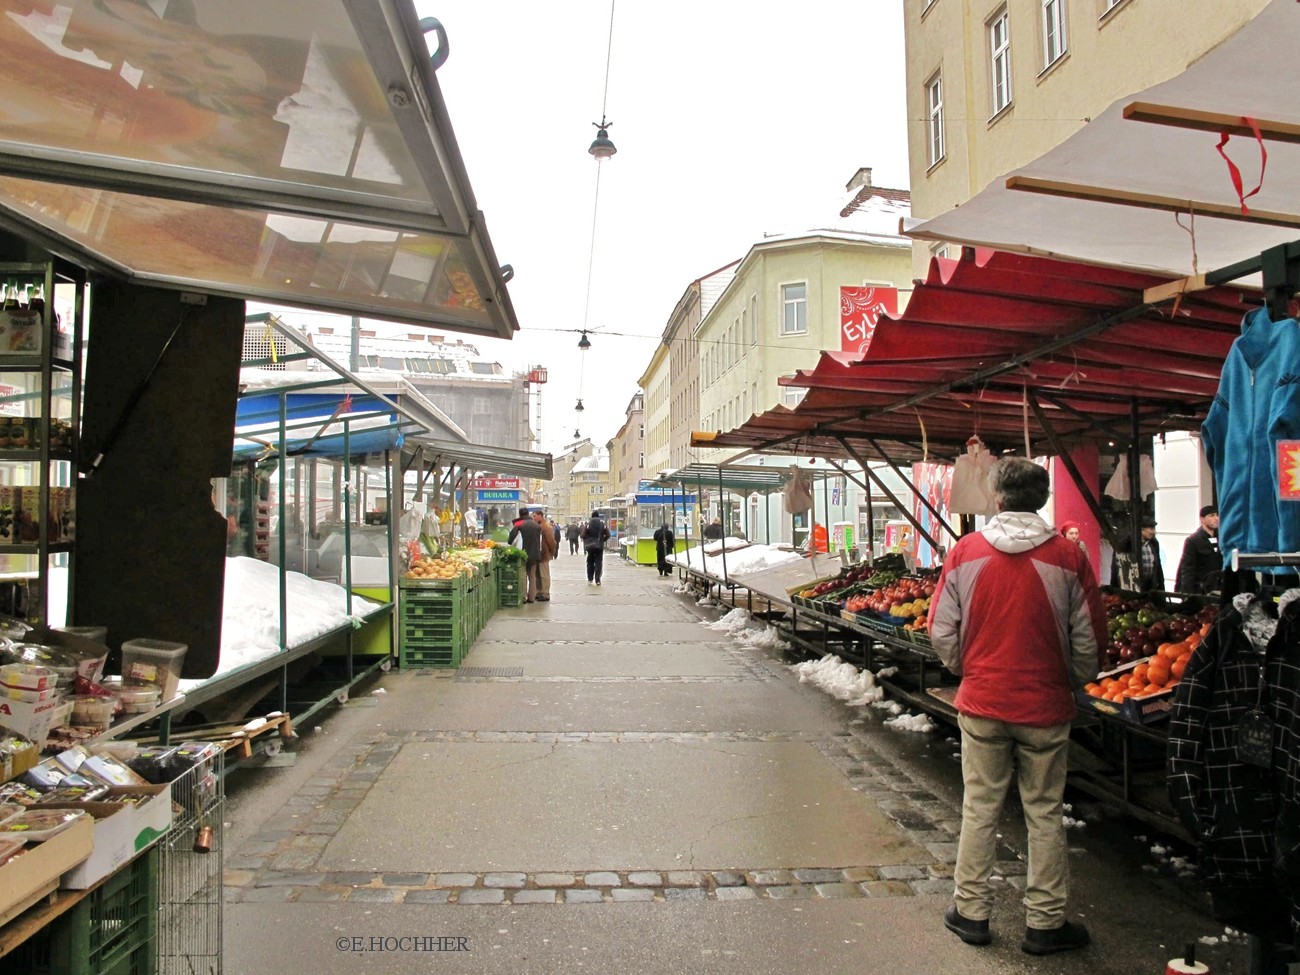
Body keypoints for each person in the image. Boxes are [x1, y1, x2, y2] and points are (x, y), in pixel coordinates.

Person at [927, 457, 1105, 956]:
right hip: (1045, 707)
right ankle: (1046, 923)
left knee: (980, 807)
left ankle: (971, 912)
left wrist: (968, 667)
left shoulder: (965, 552)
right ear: (1041, 499)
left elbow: (940, 628)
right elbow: (1089, 640)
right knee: (1045, 811)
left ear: (998, 500)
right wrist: (1068, 680)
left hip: (983, 702)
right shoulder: (1070, 558)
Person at [1174, 505, 1221, 594]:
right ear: (1202, 519)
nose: (1216, 518)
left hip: (1219, 588)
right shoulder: (1193, 540)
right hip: (1201, 589)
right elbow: (1187, 569)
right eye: (1211, 515)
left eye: (1217, 515)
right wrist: (1186, 593)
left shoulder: (1221, 539)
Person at [1111, 516, 1164, 592]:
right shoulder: (1126, 544)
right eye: (1151, 529)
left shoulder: (1154, 543)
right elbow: (1117, 568)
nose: (1153, 532)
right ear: (1141, 530)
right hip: (1132, 589)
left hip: (1150, 588)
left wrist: (1161, 587)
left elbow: (1158, 567)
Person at [507, 507, 543, 604]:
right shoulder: (536, 525)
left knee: (523, 575)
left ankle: (523, 596)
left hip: (522, 553)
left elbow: (510, 540)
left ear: (520, 514)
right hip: (535, 554)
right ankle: (531, 597)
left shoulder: (519, 524)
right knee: (532, 576)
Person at [581, 510, 610, 585]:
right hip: (599, 547)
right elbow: (608, 534)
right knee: (598, 562)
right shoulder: (602, 524)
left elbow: (583, 535)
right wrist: (602, 540)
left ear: (592, 516)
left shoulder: (588, 524)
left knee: (590, 561)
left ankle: (590, 578)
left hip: (590, 546)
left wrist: (588, 539)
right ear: (598, 516)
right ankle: (597, 579)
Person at [534, 511, 557, 601]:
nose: (534, 518)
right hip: (537, 554)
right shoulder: (537, 526)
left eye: (535, 516)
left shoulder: (546, 527)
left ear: (540, 516)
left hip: (544, 554)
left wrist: (551, 552)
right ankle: (539, 592)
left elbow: (551, 542)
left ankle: (545, 593)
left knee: (544, 575)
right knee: (537, 575)